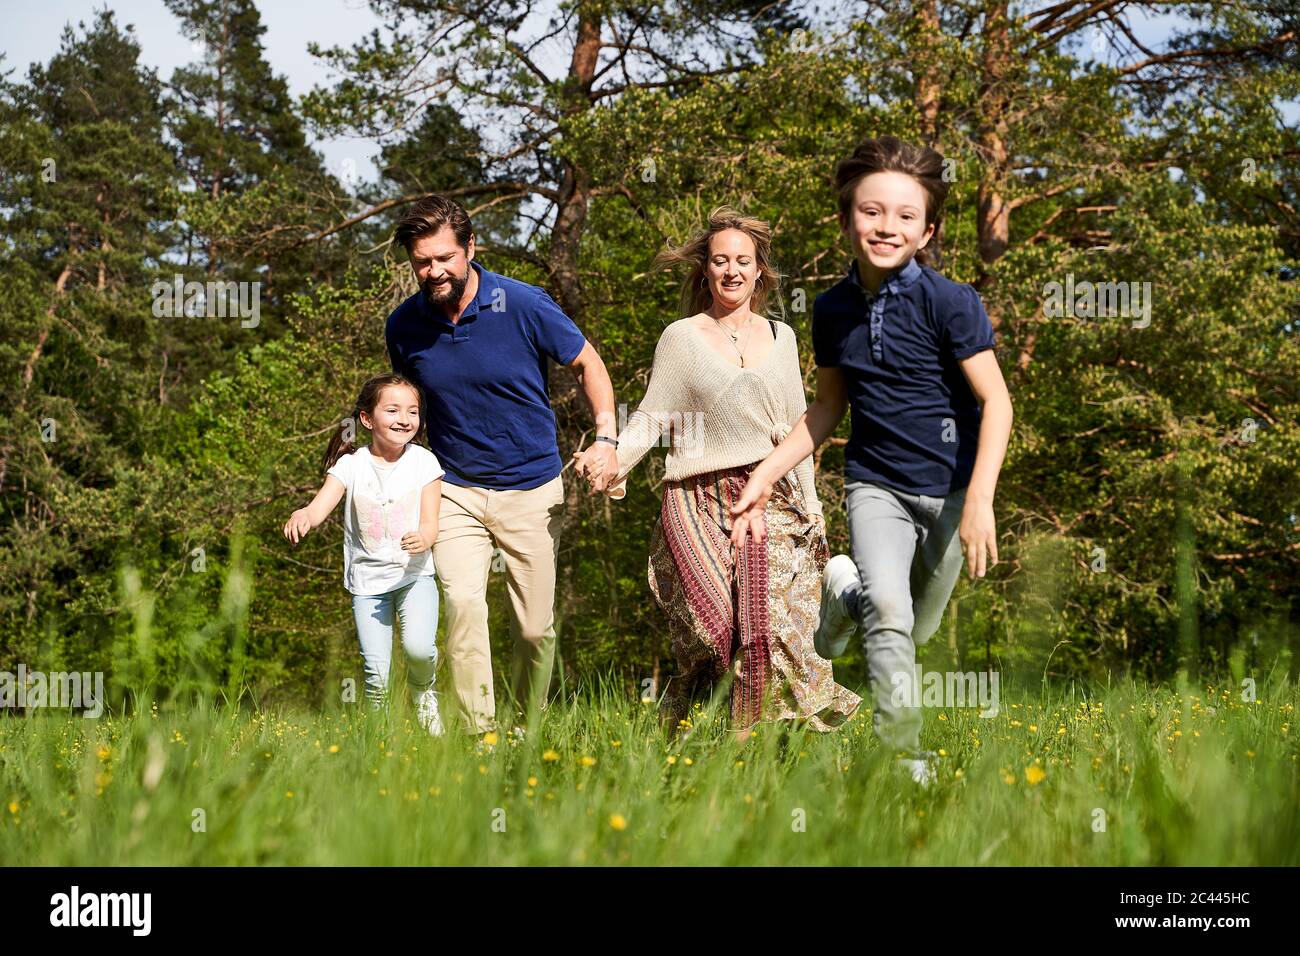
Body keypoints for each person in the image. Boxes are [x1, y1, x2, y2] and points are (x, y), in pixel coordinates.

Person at [728, 136, 1014, 785]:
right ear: (846, 219)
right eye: (872, 211)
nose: (887, 226)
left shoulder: (951, 302)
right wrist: (764, 476)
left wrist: (978, 501)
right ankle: (902, 753)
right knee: (891, 613)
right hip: (876, 483)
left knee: (915, 627)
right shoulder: (831, 311)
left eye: (905, 215)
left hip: (950, 488)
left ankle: (843, 593)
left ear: (928, 228)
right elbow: (826, 409)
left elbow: (996, 402)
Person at [575, 206, 861, 734]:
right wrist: (612, 454)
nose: (731, 271)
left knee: (761, 626)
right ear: (705, 269)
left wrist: (813, 509)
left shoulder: (783, 338)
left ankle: (748, 747)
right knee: (712, 628)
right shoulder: (681, 337)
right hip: (697, 494)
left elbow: (797, 430)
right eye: (720, 260)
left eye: (743, 261)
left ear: (759, 271)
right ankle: (690, 730)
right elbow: (655, 414)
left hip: (769, 493)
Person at [387, 194, 618, 735]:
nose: (434, 270)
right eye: (422, 260)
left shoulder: (522, 303)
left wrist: (607, 436)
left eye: (445, 257)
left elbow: (588, 363)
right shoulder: (404, 326)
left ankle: (525, 727)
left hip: (532, 487)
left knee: (535, 630)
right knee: (463, 607)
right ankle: (478, 736)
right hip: (454, 489)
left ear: (471, 247)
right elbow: (406, 408)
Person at [283, 374, 446, 734]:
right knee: (376, 672)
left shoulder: (424, 462)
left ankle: (423, 692)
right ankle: (380, 744)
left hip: (414, 576)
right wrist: (303, 515)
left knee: (419, 649)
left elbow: (432, 523)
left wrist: (424, 537)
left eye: (413, 411)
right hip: (368, 586)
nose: (405, 419)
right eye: (392, 410)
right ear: (367, 419)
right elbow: (318, 507)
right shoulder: (351, 465)